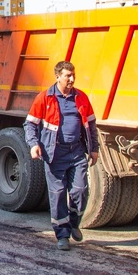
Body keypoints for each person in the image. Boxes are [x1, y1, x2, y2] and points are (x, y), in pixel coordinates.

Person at [24, 60, 99, 250]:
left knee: (80, 191)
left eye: (73, 75)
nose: (72, 79)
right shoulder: (45, 98)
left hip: (76, 152)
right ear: (58, 77)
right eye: (68, 76)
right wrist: (34, 145)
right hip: (54, 154)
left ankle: (74, 222)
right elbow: (30, 124)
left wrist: (94, 148)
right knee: (57, 195)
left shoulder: (81, 97)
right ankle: (62, 235)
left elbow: (91, 125)